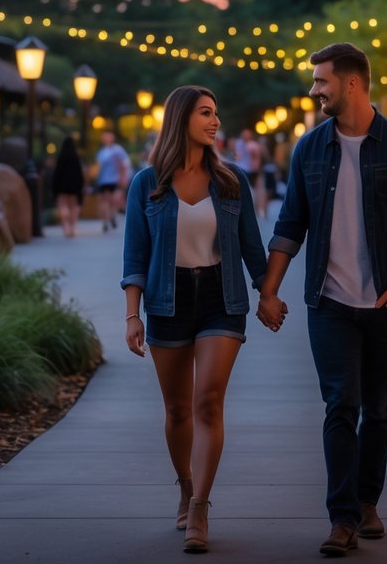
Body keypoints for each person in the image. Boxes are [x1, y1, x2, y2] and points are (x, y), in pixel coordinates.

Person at [254, 42, 387, 557]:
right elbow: (291, 222)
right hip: (329, 302)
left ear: (351, 83)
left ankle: (367, 500)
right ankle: (342, 519)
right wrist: (268, 290)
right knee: (341, 405)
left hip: (384, 302)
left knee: (378, 408)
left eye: (321, 82)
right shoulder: (310, 149)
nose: (314, 90)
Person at [121, 85, 268, 554]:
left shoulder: (231, 181)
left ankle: (200, 506)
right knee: (178, 409)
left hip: (221, 299)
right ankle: (185, 485)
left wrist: (268, 294)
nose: (215, 121)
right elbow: (135, 254)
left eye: (216, 113)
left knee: (208, 401)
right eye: (206, 113)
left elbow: (251, 247)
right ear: (181, 118)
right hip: (166, 300)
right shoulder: (148, 183)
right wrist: (131, 315)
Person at [94, 130, 130, 232]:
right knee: (111, 201)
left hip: (105, 180)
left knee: (106, 201)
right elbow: (125, 164)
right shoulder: (117, 150)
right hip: (112, 179)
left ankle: (107, 220)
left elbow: (98, 167)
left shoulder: (103, 152)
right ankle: (111, 218)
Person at [51, 135, 86, 237]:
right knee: (73, 207)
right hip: (74, 186)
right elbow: (80, 174)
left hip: (62, 186)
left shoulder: (60, 158)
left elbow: (56, 173)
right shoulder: (76, 158)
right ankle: (73, 228)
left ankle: (65, 228)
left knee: (63, 206)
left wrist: (55, 187)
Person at [231, 128, 266, 218]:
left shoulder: (250, 145)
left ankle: (252, 209)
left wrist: (255, 168)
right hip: (244, 169)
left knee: (250, 190)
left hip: (247, 170)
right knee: (249, 190)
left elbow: (256, 158)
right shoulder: (245, 144)